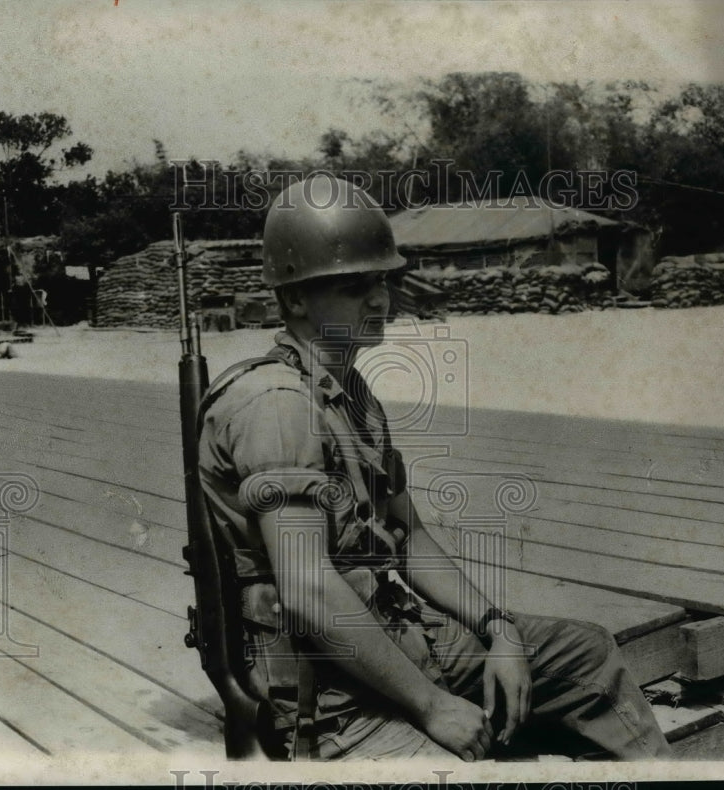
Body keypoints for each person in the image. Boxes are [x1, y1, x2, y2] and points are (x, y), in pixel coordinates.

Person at [198, 175, 672, 761]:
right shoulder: (276, 406)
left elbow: (411, 540)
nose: (379, 300)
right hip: (331, 696)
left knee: (589, 655)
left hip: (399, 638)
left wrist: (497, 626)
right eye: (353, 286)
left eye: (382, 281)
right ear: (294, 299)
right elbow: (308, 590)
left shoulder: (350, 394)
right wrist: (432, 705)